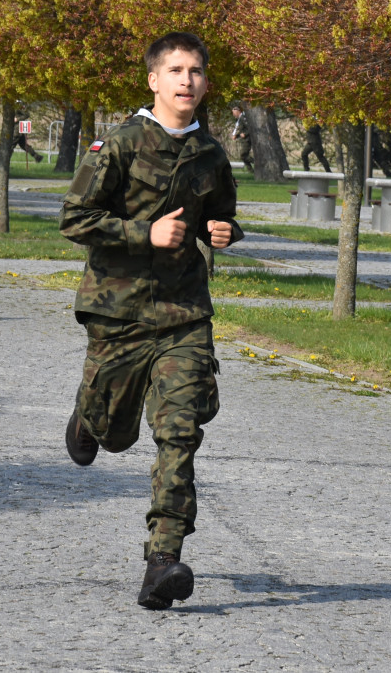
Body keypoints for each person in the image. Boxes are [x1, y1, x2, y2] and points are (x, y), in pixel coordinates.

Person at [59, 32, 243, 611]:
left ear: (205, 83)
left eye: (195, 71)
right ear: (154, 81)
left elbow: (223, 213)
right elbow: (75, 219)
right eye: (175, 70)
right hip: (118, 314)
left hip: (184, 314)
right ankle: (90, 415)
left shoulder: (211, 155)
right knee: (114, 433)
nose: (186, 80)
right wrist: (144, 232)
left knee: (180, 432)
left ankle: (163, 560)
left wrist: (225, 232)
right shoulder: (118, 146)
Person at [230, 102, 253, 172]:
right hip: (243, 140)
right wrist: (235, 136)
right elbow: (240, 130)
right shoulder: (238, 119)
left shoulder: (243, 118)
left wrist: (245, 134)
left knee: (243, 155)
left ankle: (257, 162)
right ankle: (250, 170)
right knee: (243, 156)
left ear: (238, 111)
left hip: (247, 139)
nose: (233, 114)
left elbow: (250, 128)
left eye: (234, 113)